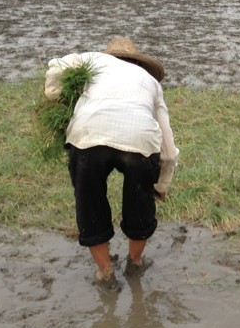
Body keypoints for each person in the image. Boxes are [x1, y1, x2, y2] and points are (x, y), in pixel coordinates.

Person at [44, 37, 179, 289]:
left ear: (109, 55)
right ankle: (135, 263)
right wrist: (160, 186)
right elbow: (169, 151)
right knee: (140, 204)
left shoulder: (93, 60)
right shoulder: (149, 81)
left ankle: (106, 273)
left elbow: (57, 65)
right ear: (138, 62)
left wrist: (53, 94)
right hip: (139, 141)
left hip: (87, 136)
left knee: (90, 205)